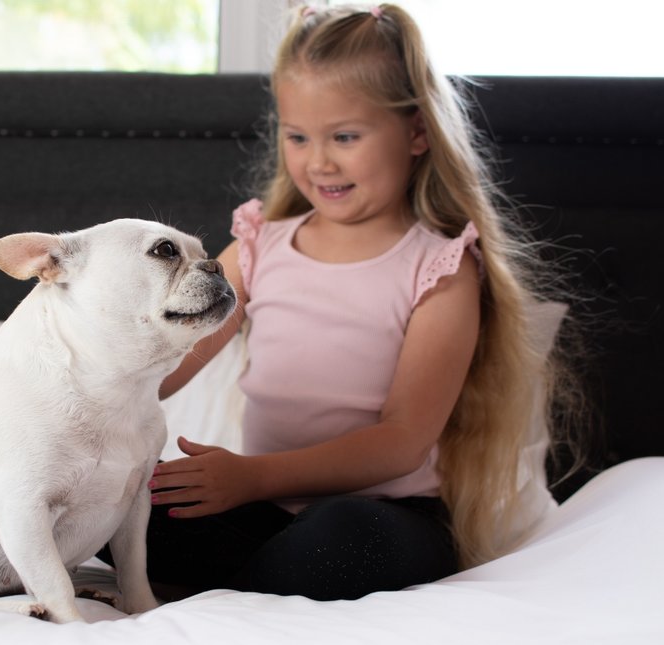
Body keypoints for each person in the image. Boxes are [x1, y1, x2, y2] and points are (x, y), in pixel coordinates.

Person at [101, 3, 580, 602]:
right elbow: (166, 361)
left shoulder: (440, 270)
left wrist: (248, 477)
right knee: (111, 498)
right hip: (262, 514)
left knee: (342, 536)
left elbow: (402, 440)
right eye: (298, 136)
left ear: (416, 132)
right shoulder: (259, 245)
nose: (318, 161)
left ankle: (224, 594)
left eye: (345, 137)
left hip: (385, 517)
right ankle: (252, 583)